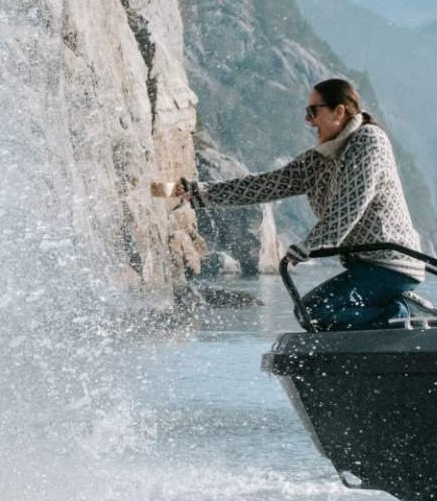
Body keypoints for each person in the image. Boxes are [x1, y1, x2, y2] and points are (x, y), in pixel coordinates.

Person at [180, 77, 424, 330]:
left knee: (316, 313)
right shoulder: (320, 159)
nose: (308, 120)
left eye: (313, 111)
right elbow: (267, 185)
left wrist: (310, 244)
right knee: (309, 314)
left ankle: (404, 313)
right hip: (364, 265)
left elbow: (352, 204)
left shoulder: (369, 140)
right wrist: (201, 193)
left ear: (339, 111)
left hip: (392, 264)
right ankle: (374, 338)